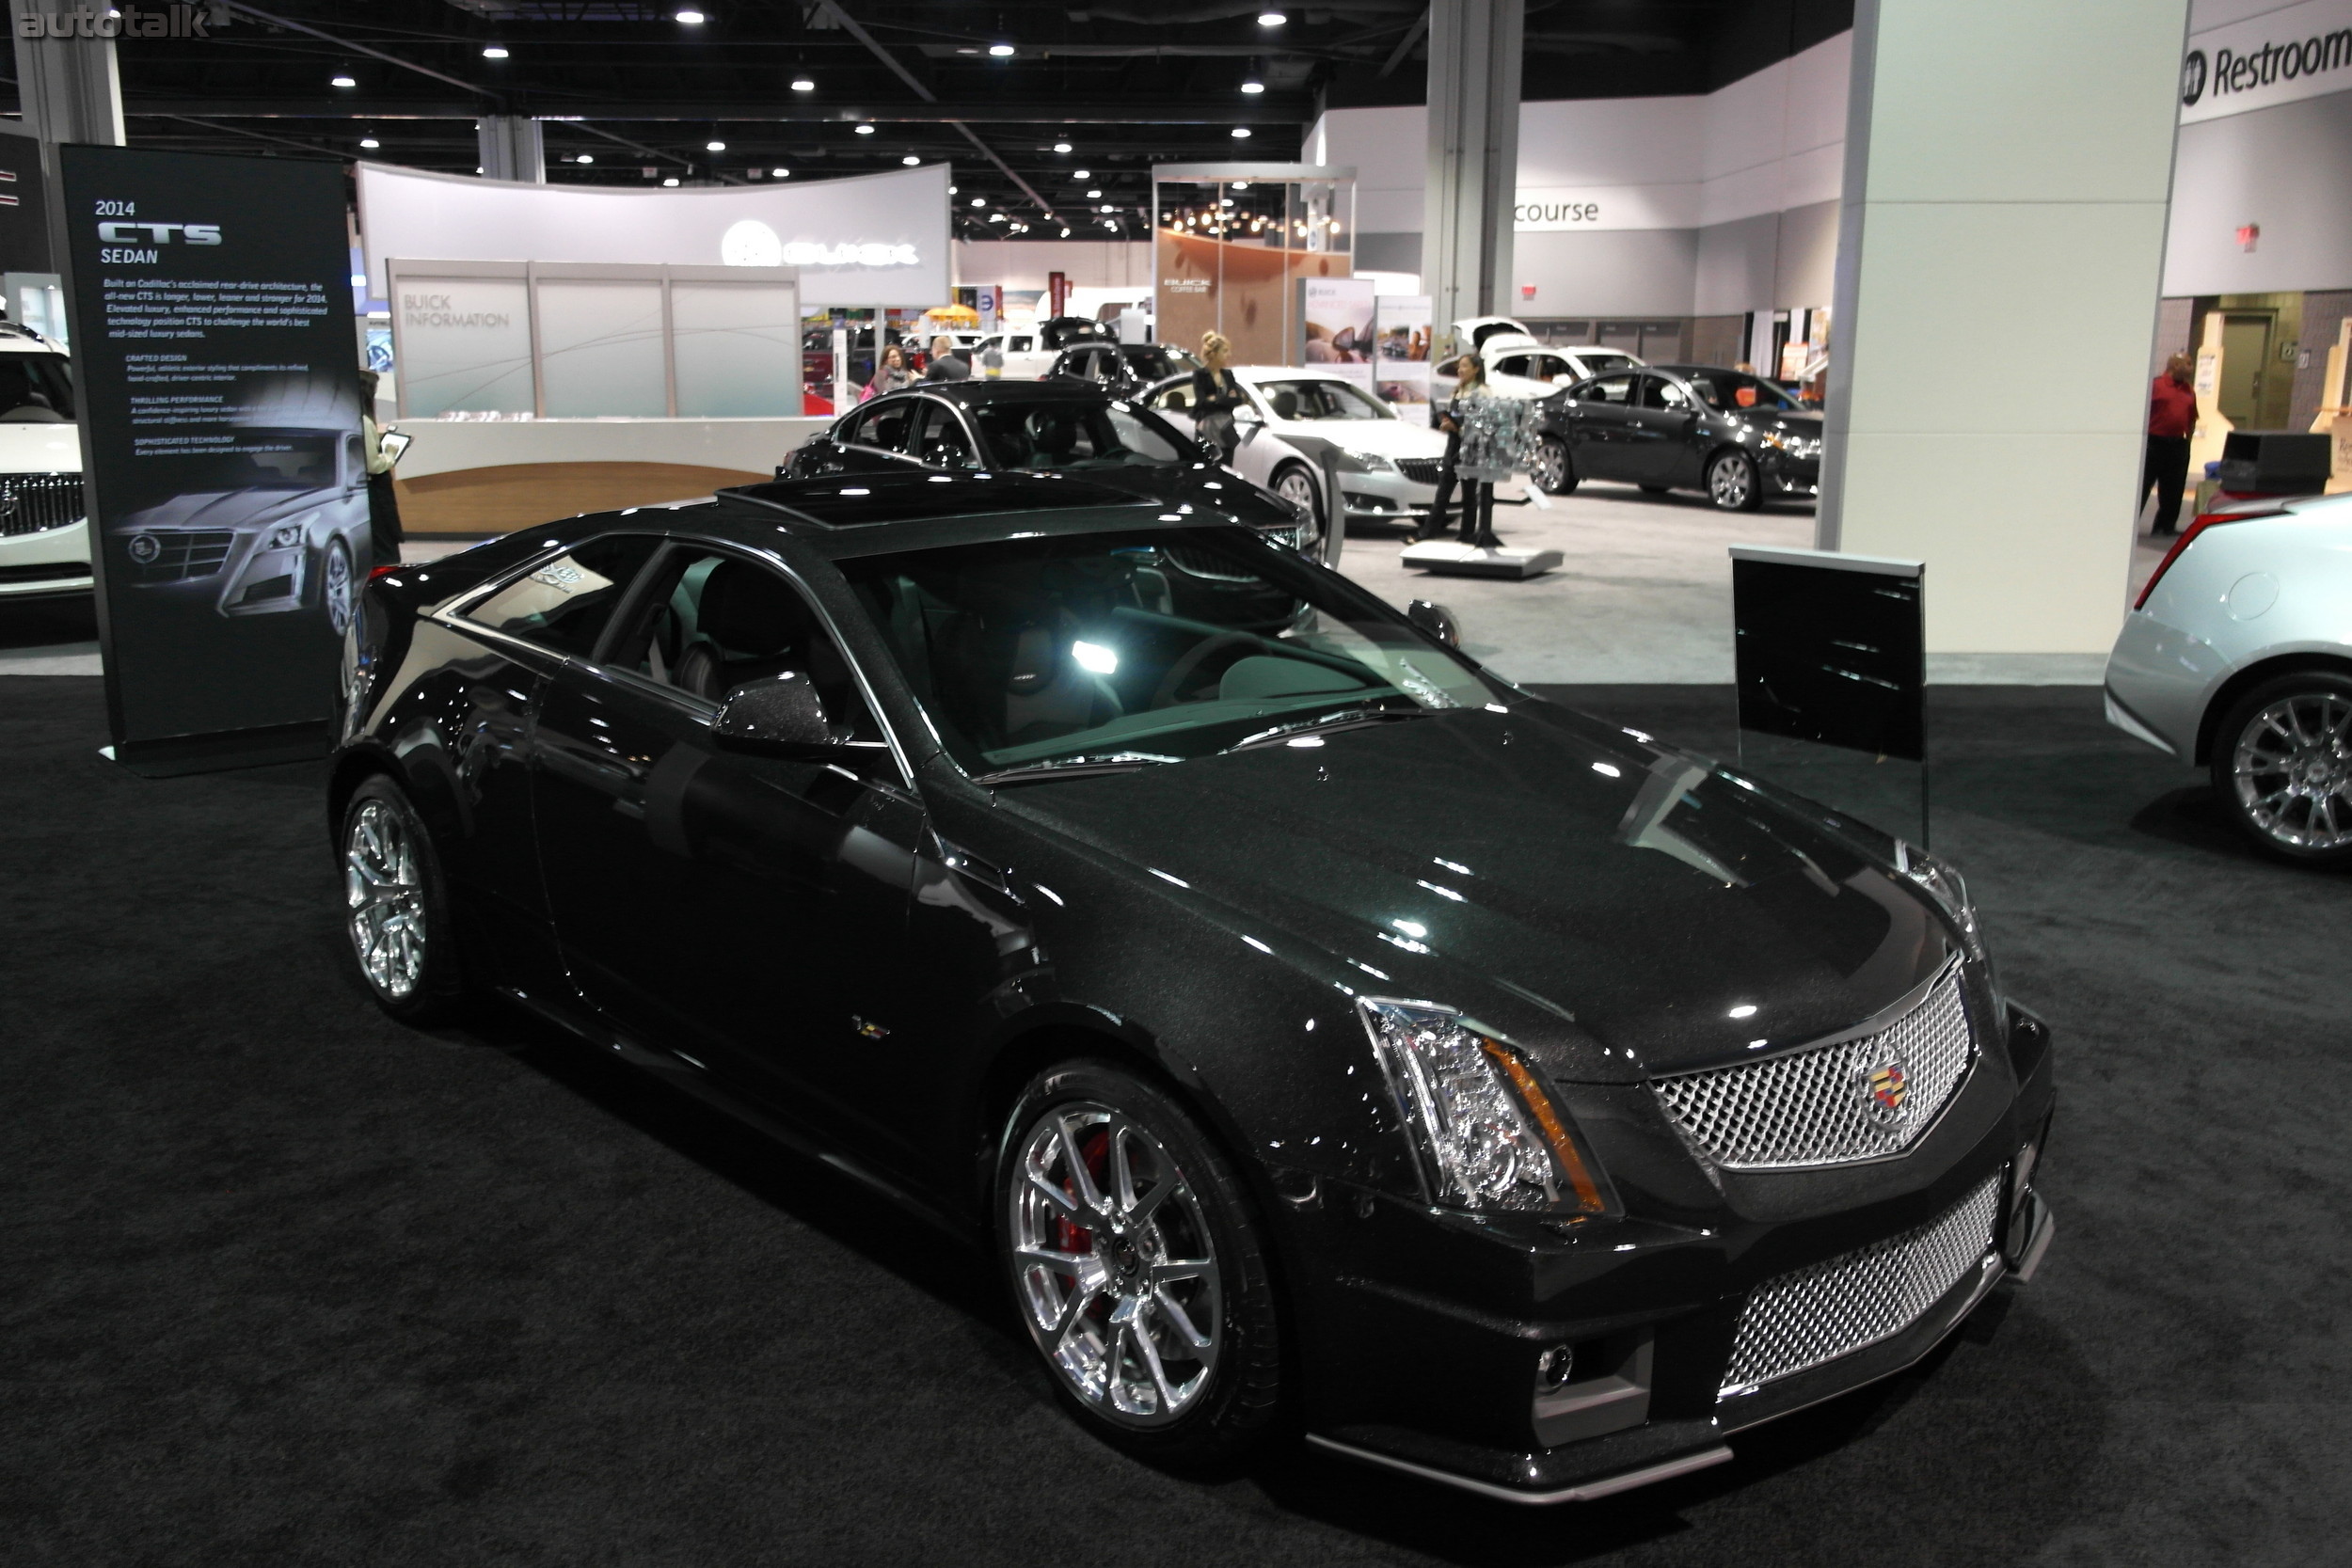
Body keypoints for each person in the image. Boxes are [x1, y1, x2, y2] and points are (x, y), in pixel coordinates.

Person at [1412, 354, 1477, 542]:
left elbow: (1480, 424)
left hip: (1470, 450)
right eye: (1459, 366)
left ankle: (1467, 535)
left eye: (1465, 366)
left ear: (1476, 369)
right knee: (1442, 495)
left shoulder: (1481, 392)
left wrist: (1457, 427)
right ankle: (1426, 534)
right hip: (1453, 447)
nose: (1460, 370)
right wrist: (1447, 422)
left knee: (1469, 497)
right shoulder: (1458, 390)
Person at [2143, 351, 2197, 537]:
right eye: (2188, 364)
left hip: (2177, 445)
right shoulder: (2156, 385)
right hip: (2153, 443)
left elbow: (2192, 418)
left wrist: (2187, 441)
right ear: (2175, 366)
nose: (2191, 368)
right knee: (2143, 486)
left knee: (2174, 490)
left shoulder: (2188, 390)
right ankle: (2129, 526)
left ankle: (2165, 525)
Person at [358, 369, 402, 569]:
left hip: (360, 492)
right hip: (373, 494)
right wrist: (390, 454)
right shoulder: (364, 422)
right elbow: (373, 465)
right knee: (384, 551)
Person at [1189, 331, 1247, 462]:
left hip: (1225, 429)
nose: (1229, 355)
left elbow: (1238, 399)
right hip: (1206, 430)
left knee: (1226, 467)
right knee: (1206, 467)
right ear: (1214, 354)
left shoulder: (1228, 375)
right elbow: (1202, 402)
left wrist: (1215, 399)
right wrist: (1226, 400)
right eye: (1225, 351)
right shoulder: (1200, 375)